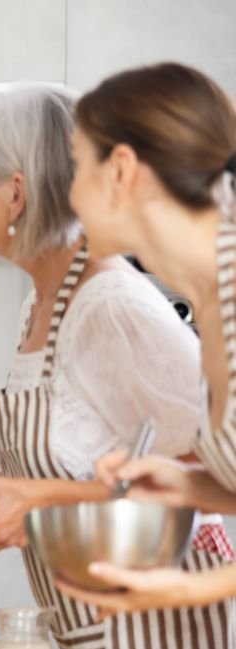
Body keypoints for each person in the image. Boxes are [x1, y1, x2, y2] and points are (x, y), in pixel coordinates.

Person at [0, 84, 234, 649]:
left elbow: (212, 471)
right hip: (106, 644)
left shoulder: (113, 302)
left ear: (17, 191)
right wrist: (0, 490)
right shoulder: (49, 299)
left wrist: (33, 513)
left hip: (167, 644)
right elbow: (91, 454)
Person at [45, 63, 236, 614]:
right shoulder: (209, 293)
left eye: (78, 167)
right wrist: (187, 485)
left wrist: (193, 587)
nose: (71, 196)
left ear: (122, 169)